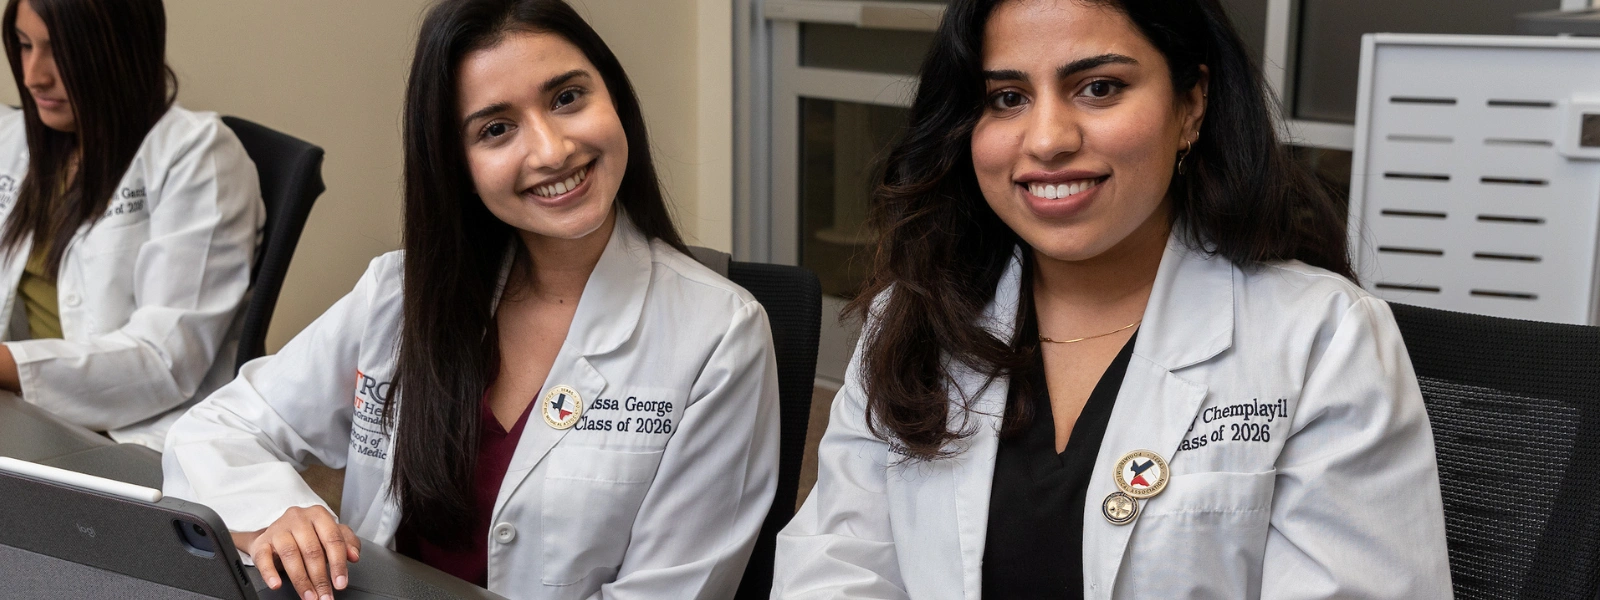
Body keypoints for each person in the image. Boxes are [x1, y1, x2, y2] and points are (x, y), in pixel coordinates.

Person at [772, 0, 1452, 597]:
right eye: (1007, 97)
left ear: (1192, 103)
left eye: (1099, 88)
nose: (1047, 140)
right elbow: (836, 570)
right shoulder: (915, 317)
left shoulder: (1321, 338)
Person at [161, 1, 780, 599]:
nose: (551, 150)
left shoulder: (718, 334)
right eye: (496, 129)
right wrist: (277, 511)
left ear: (614, 97)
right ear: (456, 163)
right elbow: (220, 427)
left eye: (568, 97)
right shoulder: (399, 294)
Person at [0, 0, 263, 449]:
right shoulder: (16, 138)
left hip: (128, 439)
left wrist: (5, 364)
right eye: (24, 46)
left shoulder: (198, 155)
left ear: (120, 49)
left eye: (59, 51)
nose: (33, 75)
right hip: (21, 414)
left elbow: (165, 359)